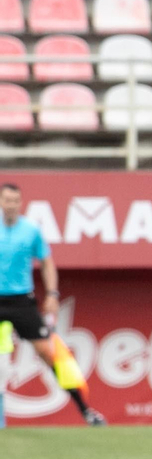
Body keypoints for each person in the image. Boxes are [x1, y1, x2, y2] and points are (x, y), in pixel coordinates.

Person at [0, 183, 106, 427]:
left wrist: (52, 294)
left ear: (20, 203)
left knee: (48, 353)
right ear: (1, 202)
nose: (11, 205)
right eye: (7, 200)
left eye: (15, 201)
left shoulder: (30, 231)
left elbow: (47, 263)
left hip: (21, 300)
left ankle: (85, 410)